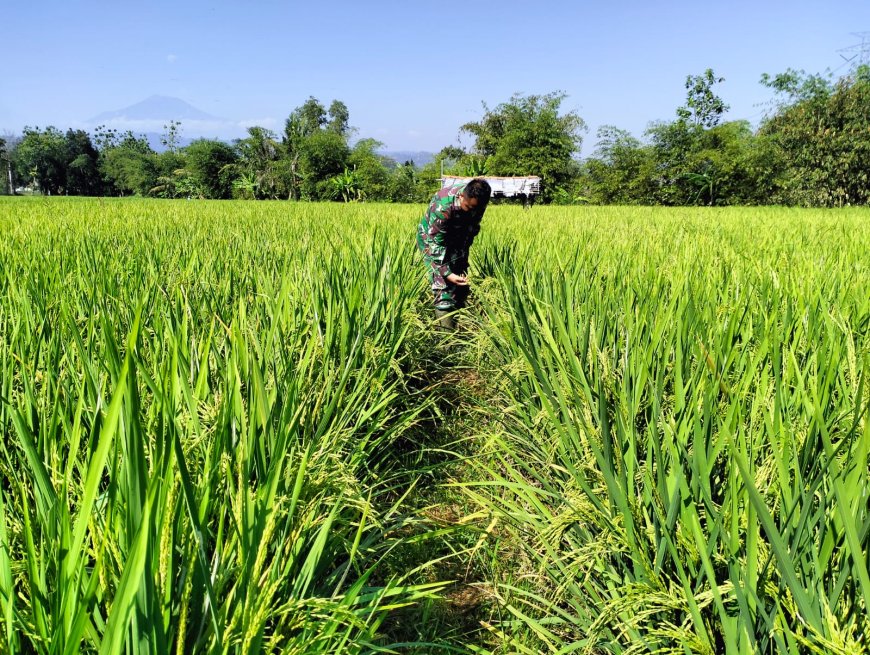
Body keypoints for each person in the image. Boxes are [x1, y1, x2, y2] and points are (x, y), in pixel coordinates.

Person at [415, 177, 492, 329]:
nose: (474, 212)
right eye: (469, 208)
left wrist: (461, 259)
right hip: (432, 240)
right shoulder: (443, 205)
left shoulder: (478, 201)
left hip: (458, 238)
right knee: (442, 286)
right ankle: (445, 342)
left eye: (477, 208)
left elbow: (471, 229)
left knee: (460, 282)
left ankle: (460, 323)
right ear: (461, 196)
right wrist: (446, 273)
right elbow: (435, 244)